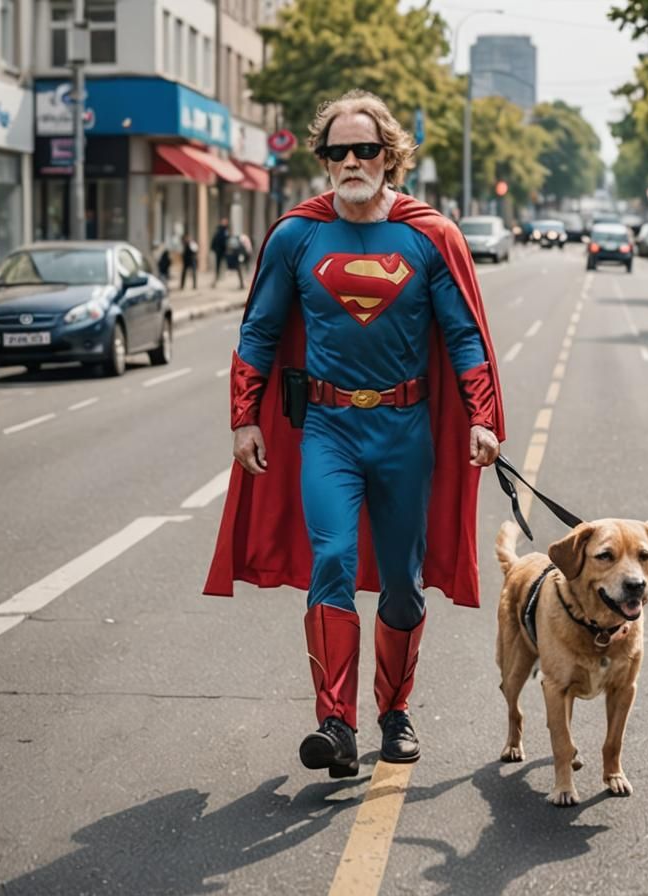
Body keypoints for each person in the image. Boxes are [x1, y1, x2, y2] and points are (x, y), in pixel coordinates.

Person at [203, 90, 505, 778]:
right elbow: (259, 330)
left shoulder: (432, 236)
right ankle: (334, 723)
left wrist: (482, 416)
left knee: (402, 583)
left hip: (405, 430)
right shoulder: (296, 235)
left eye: (363, 149)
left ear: (389, 156)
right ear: (323, 159)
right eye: (336, 151)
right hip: (328, 429)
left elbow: (463, 336)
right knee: (331, 557)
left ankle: (393, 712)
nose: (349, 161)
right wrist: (244, 415)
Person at [211, 218, 232, 286]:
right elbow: (215, 239)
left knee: (223, 263)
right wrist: (213, 248)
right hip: (219, 250)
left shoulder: (225, 230)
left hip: (222, 250)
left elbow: (226, 239)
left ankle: (221, 275)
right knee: (219, 263)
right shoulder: (220, 230)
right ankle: (218, 276)